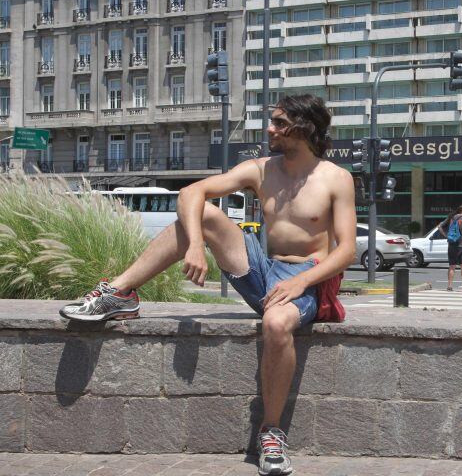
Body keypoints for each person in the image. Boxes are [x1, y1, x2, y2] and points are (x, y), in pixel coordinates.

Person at [59, 94, 357, 476]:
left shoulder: (336, 178)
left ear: (304, 127)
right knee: (200, 215)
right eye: (272, 121)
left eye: (280, 123)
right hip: (266, 272)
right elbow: (191, 193)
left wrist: (301, 281)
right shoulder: (261, 170)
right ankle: (119, 294)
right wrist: (197, 245)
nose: (270, 129)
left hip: (307, 279)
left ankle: (271, 432)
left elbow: (346, 250)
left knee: (276, 324)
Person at [438, 205, 462, 291]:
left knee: (452, 265)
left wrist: (446, 236)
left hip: (451, 244)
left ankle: (449, 286)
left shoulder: (450, 218)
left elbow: (439, 227)